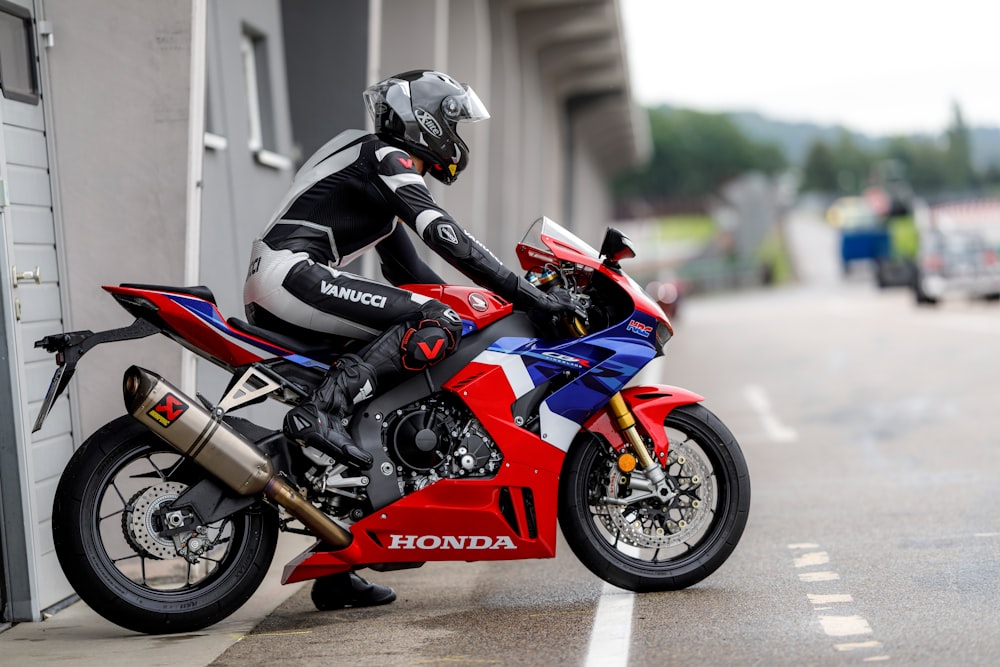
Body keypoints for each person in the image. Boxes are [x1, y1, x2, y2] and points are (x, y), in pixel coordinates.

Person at [243, 70, 582, 610]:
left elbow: (409, 270)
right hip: (294, 275)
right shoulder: (386, 158)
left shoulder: (374, 172)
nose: (457, 134)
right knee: (436, 321)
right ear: (425, 121)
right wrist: (528, 296)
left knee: (412, 349)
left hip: (285, 280)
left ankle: (340, 561)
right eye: (453, 121)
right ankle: (319, 413)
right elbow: (445, 234)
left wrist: (491, 304)